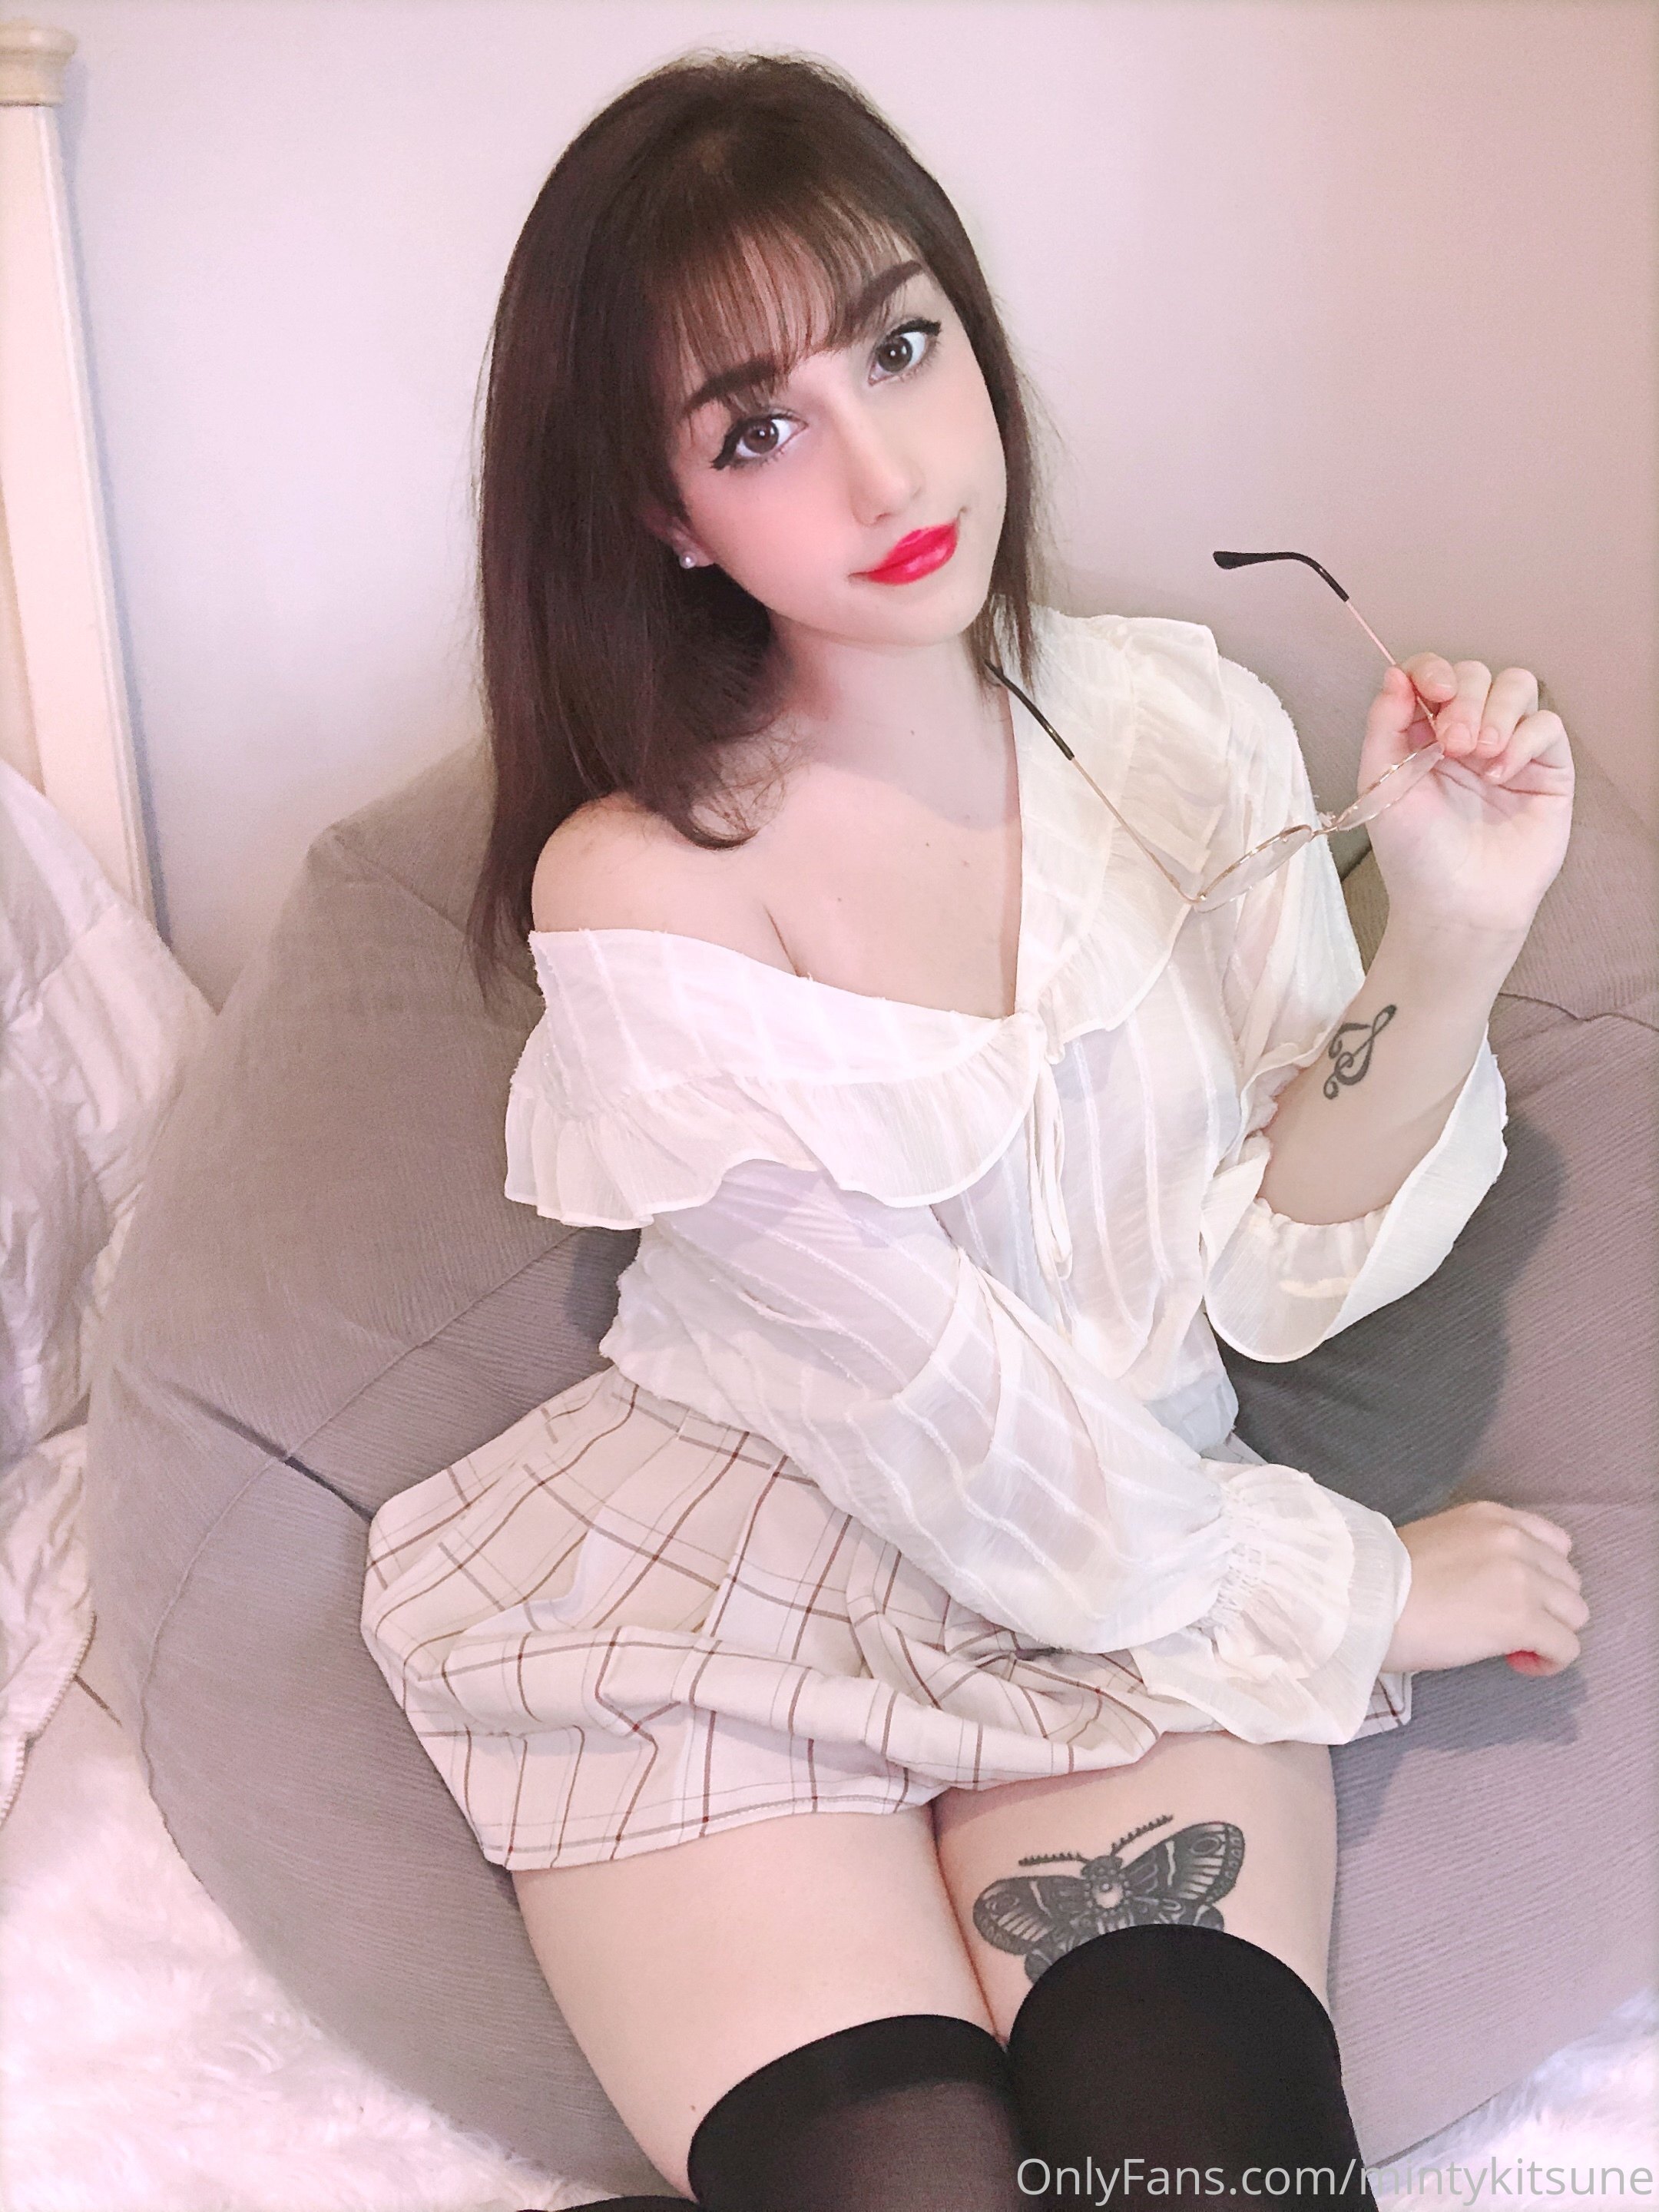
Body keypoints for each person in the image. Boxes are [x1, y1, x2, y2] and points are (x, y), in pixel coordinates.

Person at [360, 46, 1584, 2211]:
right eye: (759, 428)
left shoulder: (1180, 725)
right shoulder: (644, 890)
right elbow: (943, 1422)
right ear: (664, 514)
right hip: (749, 1569)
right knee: (901, 2173)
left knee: (1192, 2150)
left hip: (1134, 1535)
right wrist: (1360, 1588)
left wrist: (1462, 928)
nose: (885, 466)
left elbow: (1279, 1266)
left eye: (902, 347)